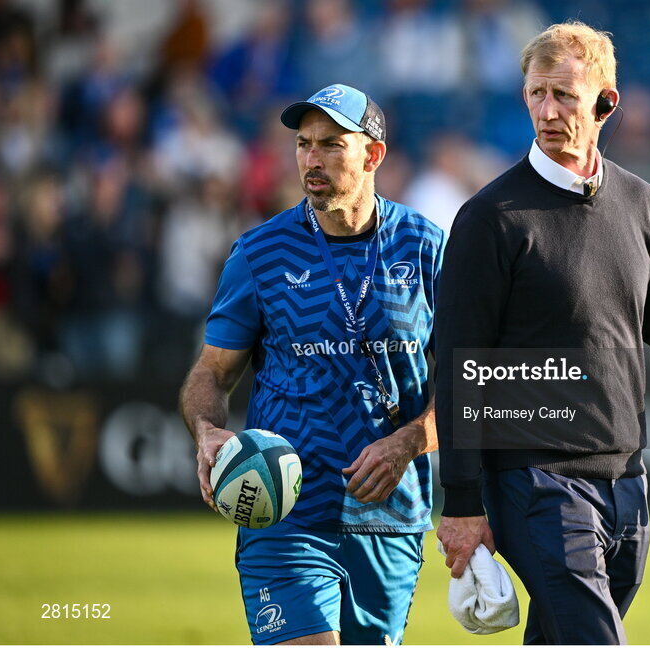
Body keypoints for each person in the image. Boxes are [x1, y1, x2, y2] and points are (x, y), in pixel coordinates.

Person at [434, 22, 650, 644]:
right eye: (536, 94)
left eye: (564, 95)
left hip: (626, 480)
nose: (547, 110)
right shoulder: (488, 219)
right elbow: (457, 366)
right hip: (534, 482)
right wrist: (461, 502)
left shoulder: (641, 203)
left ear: (606, 103)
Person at [179, 83, 444, 645]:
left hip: (390, 516)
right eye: (303, 145)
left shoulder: (426, 246)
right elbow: (211, 373)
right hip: (284, 507)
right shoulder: (260, 252)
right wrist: (205, 430)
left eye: (330, 144)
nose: (311, 159)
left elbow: (472, 384)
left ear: (372, 155)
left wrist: (408, 442)